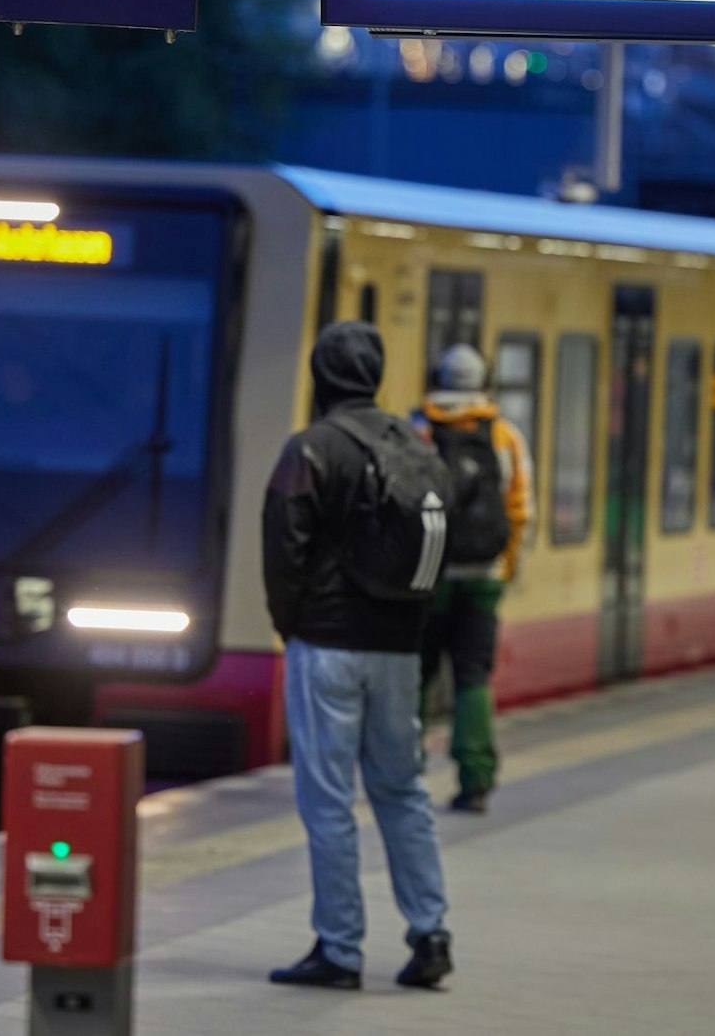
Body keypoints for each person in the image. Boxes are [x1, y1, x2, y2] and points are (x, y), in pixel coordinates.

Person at [261, 320, 454, 991]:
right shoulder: (413, 445)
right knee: (403, 790)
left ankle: (340, 949)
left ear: (320, 375)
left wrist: (293, 626)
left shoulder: (310, 451)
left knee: (328, 801)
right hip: (398, 648)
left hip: (328, 646)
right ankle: (430, 933)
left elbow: (283, 552)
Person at [412, 344, 534, 814]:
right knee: (473, 677)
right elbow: (521, 510)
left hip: (427, 575)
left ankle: (403, 772)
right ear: (485, 382)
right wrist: (507, 568)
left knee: (415, 675)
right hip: (483, 577)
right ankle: (475, 779)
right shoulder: (503, 435)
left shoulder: (418, 429)